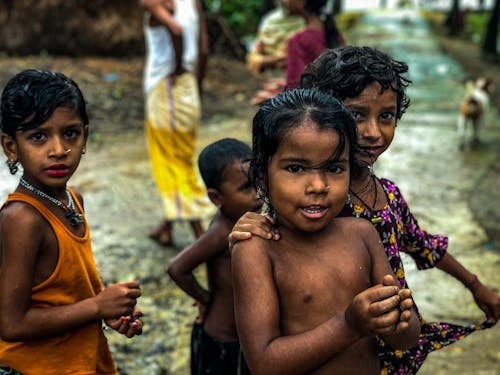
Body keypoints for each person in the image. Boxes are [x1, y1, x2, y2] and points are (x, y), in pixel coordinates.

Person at [230, 46, 500, 374]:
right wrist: (247, 223)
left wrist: (473, 284)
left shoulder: (384, 197)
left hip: (384, 354)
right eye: (358, 115)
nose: (373, 132)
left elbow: (421, 244)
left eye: (386, 116)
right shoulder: (305, 208)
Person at [232, 88, 421, 374]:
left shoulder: (362, 234)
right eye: (296, 168)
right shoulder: (257, 249)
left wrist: (397, 318)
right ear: (262, 177)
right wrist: (349, 324)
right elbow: (264, 363)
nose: (318, 186)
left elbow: (406, 339)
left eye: (334, 168)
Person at [0, 69, 143, 375]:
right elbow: (11, 323)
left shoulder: (72, 199)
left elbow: (63, 291)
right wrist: (97, 307)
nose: (59, 150)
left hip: (79, 360)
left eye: (70, 133)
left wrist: (107, 310)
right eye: (38, 136)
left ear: (85, 136)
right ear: (11, 147)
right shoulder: (22, 219)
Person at [167, 138, 262, 374]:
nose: (257, 194)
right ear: (216, 198)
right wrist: (205, 298)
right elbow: (177, 268)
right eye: (246, 188)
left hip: (243, 338)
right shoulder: (222, 231)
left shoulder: (248, 218)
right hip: (223, 338)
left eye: (258, 183)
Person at [141, 0, 212, 247]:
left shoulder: (155, 5)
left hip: (167, 88)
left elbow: (176, 30)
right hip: (188, 87)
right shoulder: (193, 4)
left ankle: (201, 237)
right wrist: (196, 82)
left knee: (171, 161)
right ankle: (167, 227)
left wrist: (179, 66)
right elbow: (204, 50)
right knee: (179, 155)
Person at [251, 0, 345, 106]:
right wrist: (285, 85)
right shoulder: (335, 35)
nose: (283, 1)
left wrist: (275, 97)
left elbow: (295, 93)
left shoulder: (298, 41)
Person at [246, 0, 305, 75]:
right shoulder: (269, 21)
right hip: (269, 80)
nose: (285, 1)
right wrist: (275, 59)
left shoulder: (311, 23)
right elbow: (253, 58)